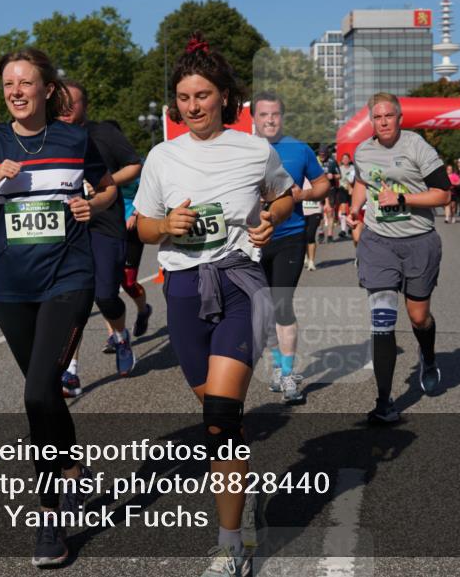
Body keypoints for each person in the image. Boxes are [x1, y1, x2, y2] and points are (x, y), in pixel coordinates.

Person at [0, 48, 116, 567]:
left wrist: (91, 204)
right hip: (11, 291)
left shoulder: (74, 139)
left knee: (37, 392)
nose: (16, 91)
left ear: (46, 90)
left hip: (68, 279)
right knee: (45, 397)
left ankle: (49, 519)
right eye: (9, 84)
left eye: (26, 83)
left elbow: (106, 190)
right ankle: (74, 470)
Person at [133, 32, 294, 577]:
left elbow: (285, 193)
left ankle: (231, 547)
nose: (193, 106)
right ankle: (238, 484)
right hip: (182, 288)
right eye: (183, 97)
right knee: (216, 415)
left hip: (240, 283)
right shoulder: (162, 155)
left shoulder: (254, 148)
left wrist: (270, 219)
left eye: (202, 95)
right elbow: (142, 224)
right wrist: (166, 226)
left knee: (220, 421)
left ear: (225, 96)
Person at [346, 93, 452, 423]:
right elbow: (363, 181)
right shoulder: (363, 150)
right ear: (371, 121)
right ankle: (384, 401)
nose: (383, 122)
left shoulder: (416, 146)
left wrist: (403, 199)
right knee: (382, 320)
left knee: (418, 317)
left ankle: (429, 356)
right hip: (378, 243)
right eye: (377, 117)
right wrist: (354, 209)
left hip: (419, 240)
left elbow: (443, 193)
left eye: (389, 116)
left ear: (400, 117)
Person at [57, 81, 142, 398]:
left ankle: (120, 336)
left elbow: (134, 164)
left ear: (85, 106)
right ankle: (70, 372)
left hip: (104, 223)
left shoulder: (103, 133)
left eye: (72, 103)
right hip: (66, 228)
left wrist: (101, 185)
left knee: (105, 294)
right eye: (60, 104)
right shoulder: (49, 137)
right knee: (71, 300)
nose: (65, 109)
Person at [251, 91, 329, 403]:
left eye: (275, 115)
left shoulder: (299, 149)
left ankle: (287, 374)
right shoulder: (243, 148)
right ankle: (276, 364)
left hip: (289, 237)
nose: (270, 120)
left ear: (283, 117)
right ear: (254, 118)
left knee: (281, 303)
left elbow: (323, 184)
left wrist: (301, 196)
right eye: (263, 115)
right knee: (262, 308)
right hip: (252, 240)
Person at [121, 174, 154, 337]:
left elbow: (148, 194)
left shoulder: (135, 167)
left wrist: (135, 214)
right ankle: (114, 335)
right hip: (106, 228)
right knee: (106, 287)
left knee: (128, 282)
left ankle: (143, 310)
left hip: (131, 228)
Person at [318, 145, 340, 242]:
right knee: (319, 212)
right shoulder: (315, 161)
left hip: (330, 190)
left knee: (330, 211)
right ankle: (321, 231)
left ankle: (330, 234)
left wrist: (333, 176)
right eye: (320, 154)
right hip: (318, 189)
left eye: (324, 154)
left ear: (327, 153)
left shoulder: (332, 162)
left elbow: (339, 175)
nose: (322, 156)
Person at [302, 176, 323, 270]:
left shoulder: (317, 178)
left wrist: (327, 203)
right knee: (303, 236)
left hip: (315, 211)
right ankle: (306, 255)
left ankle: (311, 262)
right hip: (301, 212)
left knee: (310, 235)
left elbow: (324, 191)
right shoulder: (299, 178)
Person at [336, 152, 355, 237]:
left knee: (351, 209)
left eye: (347, 158)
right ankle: (343, 230)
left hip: (352, 190)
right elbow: (335, 177)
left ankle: (351, 227)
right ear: (342, 160)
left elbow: (354, 179)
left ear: (349, 160)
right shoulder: (339, 168)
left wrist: (352, 187)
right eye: (344, 159)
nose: (345, 160)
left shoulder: (353, 168)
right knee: (343, 208)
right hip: (342, 189)